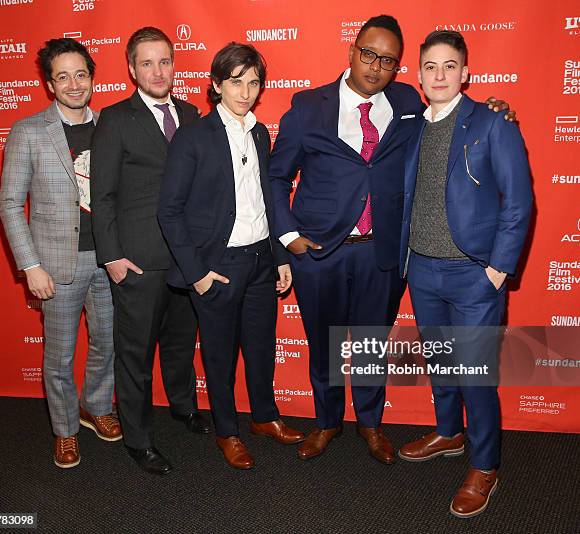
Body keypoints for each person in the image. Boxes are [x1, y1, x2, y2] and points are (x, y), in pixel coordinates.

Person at [269, 14, 514, 463]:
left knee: (369, 348)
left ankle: (369, 424)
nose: (376, 66)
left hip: (380, 254)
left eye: (388, 60)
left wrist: (493, 110)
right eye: (369, 54)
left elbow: (454, 115)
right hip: (319, 252)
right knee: (322, 345)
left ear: (399, 68)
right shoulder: (307, 107)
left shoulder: (406, 102)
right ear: (351, 52)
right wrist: (288, 237)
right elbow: (277, 176)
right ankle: (326, 423)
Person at [397, 30, 533, 518]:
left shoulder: (493, 123)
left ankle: (485, 465)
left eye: (449, 66)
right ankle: (448, 433)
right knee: (440, 367)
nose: (439, 75)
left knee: (476, 376)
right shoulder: (413, 125)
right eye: (430, 66)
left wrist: (497, 270)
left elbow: (519, 203)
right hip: (422, 271)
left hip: (474, 276)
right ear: (418, 74)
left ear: (466, 73)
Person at [158, 42, 304, 469]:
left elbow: (266, 201)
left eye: (253, 82)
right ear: (216, 84)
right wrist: (197, 272)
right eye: (235, 82)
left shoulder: (259, 132)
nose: (245, 91)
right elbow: (169, 209)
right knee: (219, 355)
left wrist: (279, 255)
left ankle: (264, 417)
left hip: (261, 259)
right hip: (217, 266)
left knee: (261, 347)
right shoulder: (193, 136)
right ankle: (227, 430)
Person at [90, 27, 209, 476]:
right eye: (147, 63)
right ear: (131, 69)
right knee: (135, 355)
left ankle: (182, 407)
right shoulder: (116, 119)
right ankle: (137, 439)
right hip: (138, 261)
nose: (158, 71)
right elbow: (101, 196)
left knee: (180, 345)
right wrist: (113, 257)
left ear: (175, 64)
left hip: (186, 258)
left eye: (165, 61)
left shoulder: (193, 114)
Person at [0, 38, 121, 469]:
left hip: (110, 261)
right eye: (63, 76)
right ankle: (66, 430)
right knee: (59, 356)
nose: (73, 84)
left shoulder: (112, 124)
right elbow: (11, 205)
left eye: (81, 74)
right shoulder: (29, 131)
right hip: (55, 265)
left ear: (92, 77)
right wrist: (30, 266)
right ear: (50, 84)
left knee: (108, 344)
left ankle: (96, 406)